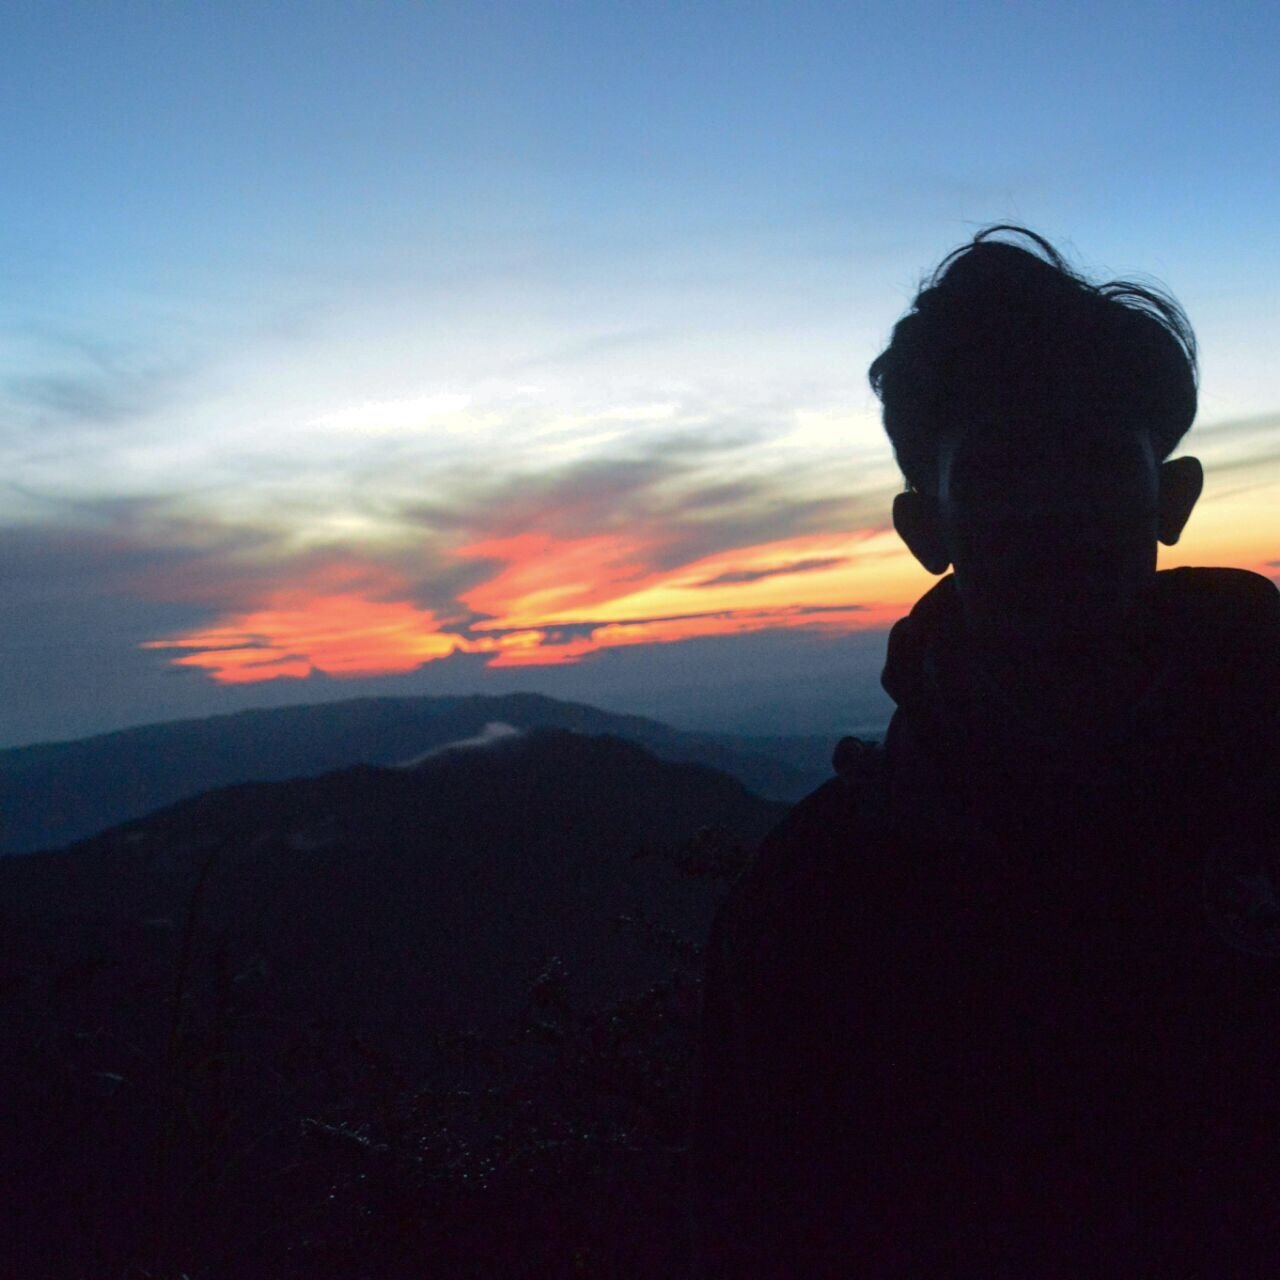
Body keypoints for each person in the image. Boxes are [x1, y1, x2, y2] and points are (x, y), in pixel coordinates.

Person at [689, 226, 1280, 1277]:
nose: (1053, 510)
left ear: (1173, 498)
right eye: (1004, 468)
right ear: (925, 527)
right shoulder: (816, 905)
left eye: (1094, 458)